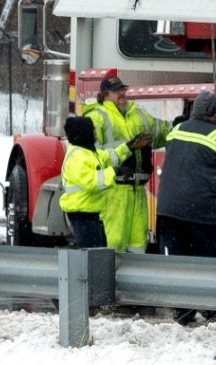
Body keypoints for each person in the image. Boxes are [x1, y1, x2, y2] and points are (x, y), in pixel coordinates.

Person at [81, 72, 170, 252]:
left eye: (123, 89)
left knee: (138, 245)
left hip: (138, 190)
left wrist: (182, 126)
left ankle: (133, 278)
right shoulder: (97, 117)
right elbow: (93, 156)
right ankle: (109, 277)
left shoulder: (138, 113)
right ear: (105, 95)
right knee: (114, 244)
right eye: (116, 91)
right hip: (114, 191)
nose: (122, 94)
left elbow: (160, 132)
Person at [155, 91, 216, 260]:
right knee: (214, 269)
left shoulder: (177, 130)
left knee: (179, 266)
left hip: (169, 213)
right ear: (212, 113)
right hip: (206, 216)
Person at [56, 114, 119, 251]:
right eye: (93, 129)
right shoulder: (77, 157)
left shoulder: (87, 152)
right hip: (82, 215)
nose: (95, 132)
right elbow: (92, 182)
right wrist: (115, 172)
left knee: (98, 254)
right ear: (84, 132)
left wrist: (130, 147)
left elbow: (108, 157)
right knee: (92, 256)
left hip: (90, 213)